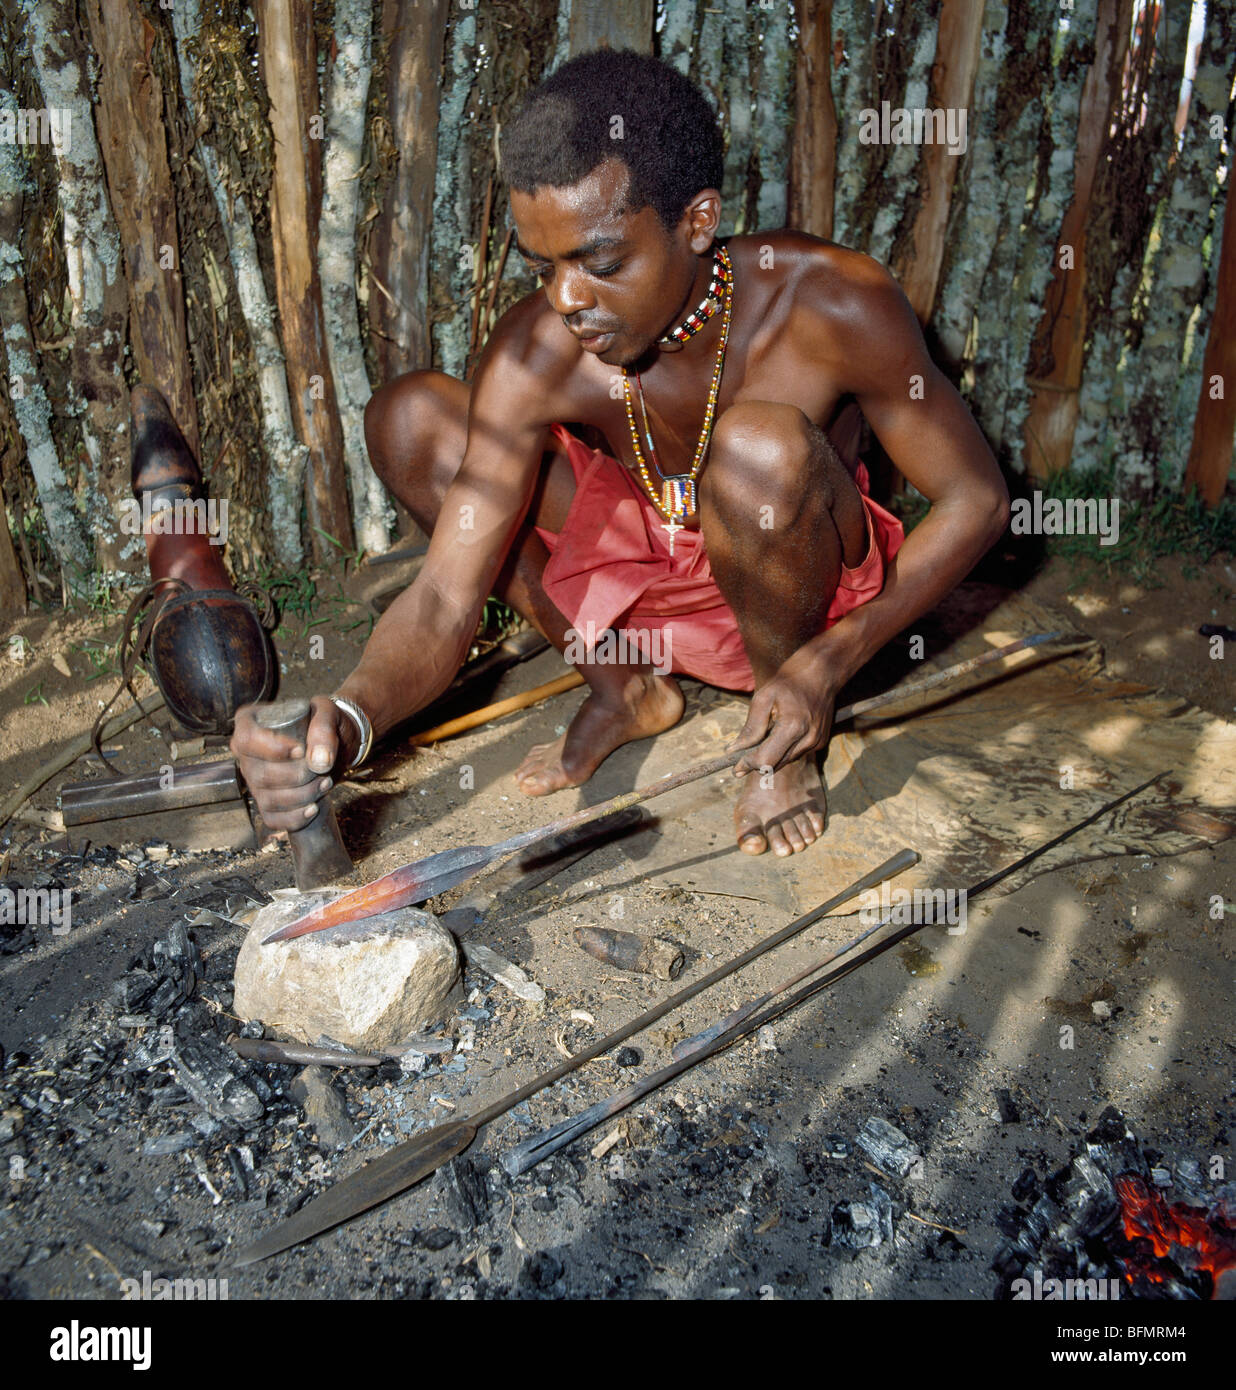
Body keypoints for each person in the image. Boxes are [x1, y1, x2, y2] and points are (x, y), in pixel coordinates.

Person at [232, 49, 1009, 860]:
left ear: (698, 222)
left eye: (601, 263)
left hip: (792, 583)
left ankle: (786, 746)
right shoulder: (541, 349)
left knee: (754, 450)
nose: (566, 299)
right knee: (409, 418)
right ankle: (625, 685)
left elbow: (976, 499)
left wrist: (827, 663)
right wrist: (350, 717)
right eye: (544, 266)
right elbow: (441, 596)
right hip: (644, 579)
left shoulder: (831, 303)